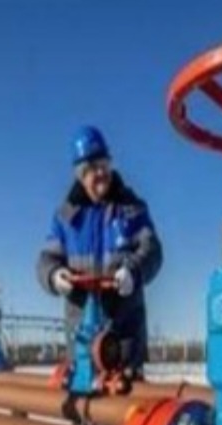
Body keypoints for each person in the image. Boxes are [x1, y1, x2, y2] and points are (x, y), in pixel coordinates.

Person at [36, 125, 163, 381]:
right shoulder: (65, 218)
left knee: (128, 403)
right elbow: (46, 260)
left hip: (124, 344)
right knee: (84, 403)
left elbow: (153, 251)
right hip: (82, 345)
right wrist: (54, 275)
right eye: (93, 168)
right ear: (81, 175)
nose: (101, 173)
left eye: (104, 164)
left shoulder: (131, 209)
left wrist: (133, 272)